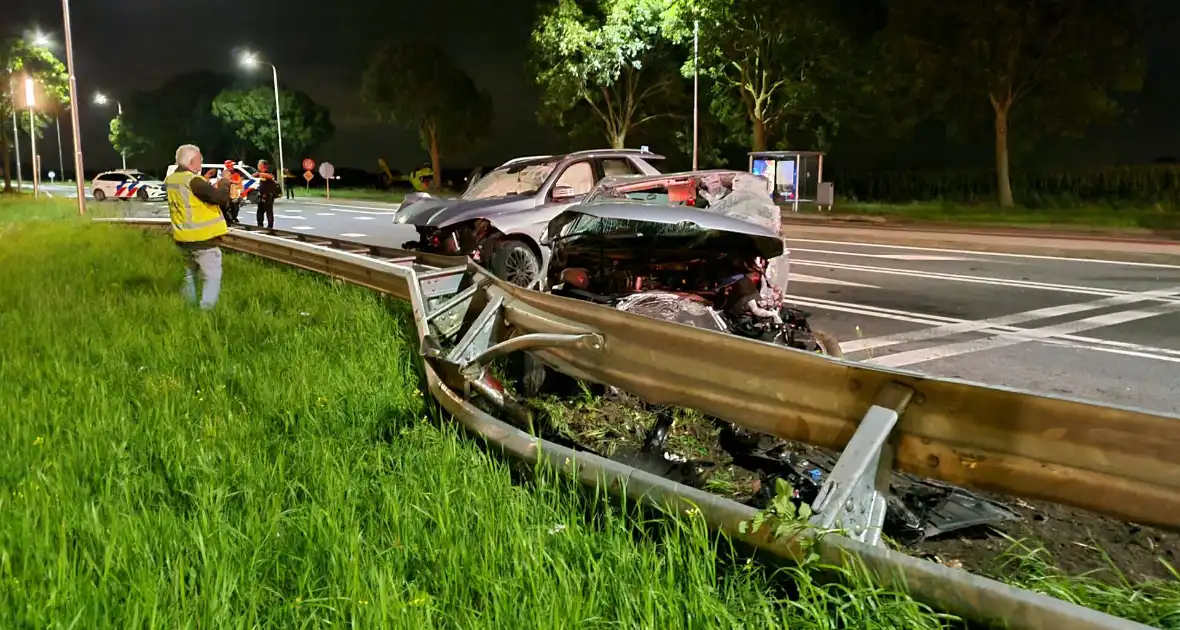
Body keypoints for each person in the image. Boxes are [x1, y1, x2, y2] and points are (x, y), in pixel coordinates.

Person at [166, 144, 230, 310]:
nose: (201, 162)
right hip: (203, 239)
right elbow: (221, 198)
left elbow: (192, 200)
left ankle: (189, 309)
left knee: (189, 275)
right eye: (200, 159)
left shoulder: (172, 179)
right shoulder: (192, 180)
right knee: (212, 277)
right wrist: (225, 181)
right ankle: (206, 312)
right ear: (192, 161)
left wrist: (205, 180)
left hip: (183, 238)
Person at [255, 159, 279, 229]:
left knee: (269, 212)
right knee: (260, 212)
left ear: (263, 166)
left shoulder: (268, 173)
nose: (258, 166)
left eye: (259, 164)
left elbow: (270, 177)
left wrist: (259, 174)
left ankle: (270, 226)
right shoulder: (260, 174)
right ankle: (260, 226)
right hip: (262, 195)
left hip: (268, 195)